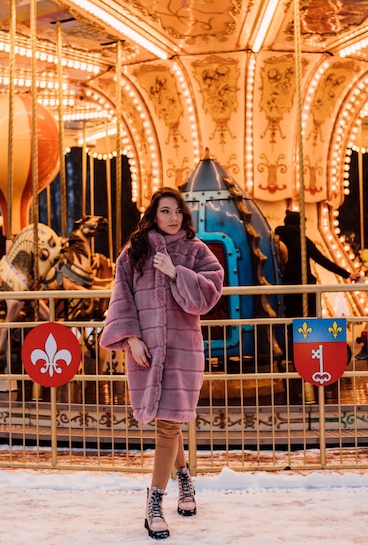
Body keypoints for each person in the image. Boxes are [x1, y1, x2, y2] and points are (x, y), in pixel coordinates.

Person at [100, 187, 224, 540]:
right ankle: (184, 479)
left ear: (184, 216)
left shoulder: (197, 252)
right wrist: (131, 338)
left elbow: (209, 295)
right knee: (168, 420)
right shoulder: (133, 253)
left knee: (168, 424)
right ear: (154, 215)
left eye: (177, 212)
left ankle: (154, 502)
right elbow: (121, 297)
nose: (172, 218)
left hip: (183, 350)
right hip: (147, 350)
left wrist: (175, 272)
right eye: (164, 211)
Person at [275, 209, 360, 318]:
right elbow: (323, 261)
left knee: (289, 322)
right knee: (308, 322)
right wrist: (347, 274)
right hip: (304, 289)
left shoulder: (277, 241)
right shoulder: (302, 241)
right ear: (299, 225)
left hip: (285, 288)